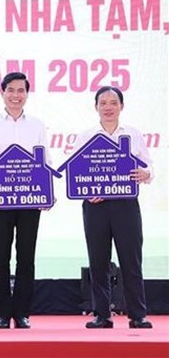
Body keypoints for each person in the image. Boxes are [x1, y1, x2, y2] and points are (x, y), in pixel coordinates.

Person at [0, 72, 49, 329]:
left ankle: (23, 312)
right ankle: (2, 313)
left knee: (27, 257)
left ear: (27, 94)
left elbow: (44, 162)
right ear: (2, 92)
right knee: (0, 256)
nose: (16, 95)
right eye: (11, 90)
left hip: (30, 200)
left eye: (21, 91)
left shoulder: (37, 125)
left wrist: (47, 193)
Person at [78, 86, 153, 329]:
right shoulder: (86, 135)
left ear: (122, 106)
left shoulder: (132, 134)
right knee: (98, 261)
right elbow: (76, 171)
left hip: (126, 205)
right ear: (96, 107)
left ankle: (137, 314)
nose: (108, 107)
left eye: (113, 102)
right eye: (103, 103)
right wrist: (87, 192)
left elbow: (149, 167)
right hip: (95, 206)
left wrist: (145, 173)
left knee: (131, 260)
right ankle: (102, 315)